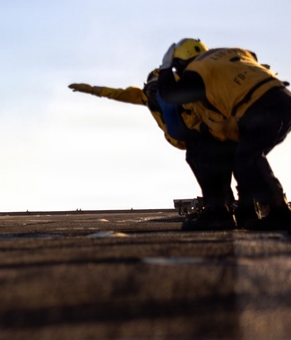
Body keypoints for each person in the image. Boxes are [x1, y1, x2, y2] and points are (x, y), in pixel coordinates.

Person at [70, 66, 241, 230]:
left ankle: (221, 212)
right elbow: (115, 93)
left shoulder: (187, 98)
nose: (156, 96)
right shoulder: (144, 97)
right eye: (152, 89)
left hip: (209, 135)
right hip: (196, 140)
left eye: (160, 89)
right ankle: (225, 210)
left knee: (210, 166)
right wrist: (90, 89)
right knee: (206, 166)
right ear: (146, 89)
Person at [157, 38, 291, 230]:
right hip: (286, 102)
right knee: (246, 158)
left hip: (259, 107)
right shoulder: (234, 52)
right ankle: (250, 212)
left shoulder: (198, 71)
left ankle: (278, 212)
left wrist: (165, 69)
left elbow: (172, 94)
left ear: (181, 64)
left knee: (246, 159)